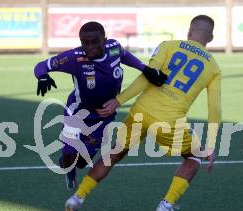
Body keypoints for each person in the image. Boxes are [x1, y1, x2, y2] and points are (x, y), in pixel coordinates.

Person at [64, 15, 222, 211]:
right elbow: (215, 108)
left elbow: (147, 75)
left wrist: (119, 100)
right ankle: (167, 204)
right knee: (194, 157)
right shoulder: (213, 67)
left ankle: (77, 198)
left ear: (189, 32)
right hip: (170, 120)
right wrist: (210, 145)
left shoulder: (168, 45)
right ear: (210, 37)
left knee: (115, 152)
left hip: (141, 110)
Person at [34, 21, 167, 191]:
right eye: (84, 42)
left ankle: (75, 165)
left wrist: (144, 68)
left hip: (103, 116)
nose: (89, 47)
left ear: (104, 39)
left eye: (94, 42)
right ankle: (67, 167)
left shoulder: (113, 47)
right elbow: (41, 66)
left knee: (82, 162)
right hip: (76, 113)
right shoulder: (74, 57)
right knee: (68, 158)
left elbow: (124, 55)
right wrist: (42, 77)